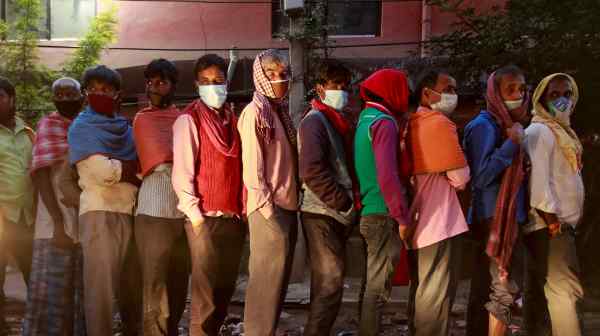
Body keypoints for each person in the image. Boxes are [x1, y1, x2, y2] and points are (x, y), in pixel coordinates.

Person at [68, 65, 142, 336]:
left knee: (132, 290)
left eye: (106, 90)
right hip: (99, 212)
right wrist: (133, 169)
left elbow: (135, 165)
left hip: (131, 212)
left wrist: (128, 169)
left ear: (117, 94)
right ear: (86, 94)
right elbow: (103, 172)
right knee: (100, 293)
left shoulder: (125, 127)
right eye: (93, 89)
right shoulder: (81, 127)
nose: (99, 94)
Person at [463, 65, 529, 336]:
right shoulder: (484, 126)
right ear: (495, 93)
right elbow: (480, 177)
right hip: (494, 218)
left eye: (522, 89)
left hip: (510, 215)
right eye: (510, 89)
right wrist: (511, 144)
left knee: (486, 289)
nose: (518, 95)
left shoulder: (511, 125)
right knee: (503, 288)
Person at [237, 49, 298, 336]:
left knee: (277, 287)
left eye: (283, 74)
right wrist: (268, 211)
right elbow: (253, 170)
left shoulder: (279, 112)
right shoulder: (255, 113)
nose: (279, 80)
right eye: (272, 74)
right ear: (260, 76)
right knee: (264, 287)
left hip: (286, 207)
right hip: (268, 210)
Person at [407, 70, 470, 335]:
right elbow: (460, 178)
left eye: (455, 90)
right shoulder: (439, 124)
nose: (452, 95)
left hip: (416, 218)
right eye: (448, 89)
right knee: (436, 295)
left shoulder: (410, 122)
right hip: (440, 221)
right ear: (426, 93)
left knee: (421, 290)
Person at [297, 60, 357, 335]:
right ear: (320, 88)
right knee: (330, 281)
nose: (342, 91)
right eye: (335, 85)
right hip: (321, 213)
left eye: (345, 86)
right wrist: (343, 202)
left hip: (335, 213)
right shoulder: (315, 121)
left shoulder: (338, 120)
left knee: (328, 284)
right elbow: (311, 170)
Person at [522, 73, 584, 336]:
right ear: (541, 100)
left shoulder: (563, 133)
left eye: (567, 94)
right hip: (549, 226)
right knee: (565, 294)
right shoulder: (540, 131)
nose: (562, 100)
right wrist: (554, 224)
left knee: (543, 294)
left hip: (558, 226)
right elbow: (537, 184)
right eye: (554, 95)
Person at [23, 77, 86, 336]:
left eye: (71, 95)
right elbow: (40, 176)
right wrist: (59, 222)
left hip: (84, 217)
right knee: (51, 291)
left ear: (81, 97)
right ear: (53, 100)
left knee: (79, 290)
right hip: (53, 221)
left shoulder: (86, 126)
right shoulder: (48, 125)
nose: (65, 100)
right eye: (59, 95)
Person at [133, 59, 190, 336]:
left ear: (173, 86)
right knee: (154, 282)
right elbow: (154, 159)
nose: (154, 87)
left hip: (184, 209)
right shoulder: (142, 119)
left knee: (179, 281)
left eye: (161, 82)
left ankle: (172, 331)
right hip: (153, 208)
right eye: (150, 82)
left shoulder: (184, 119)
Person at [353, 69, 410, 336]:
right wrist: (401, 217)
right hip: (383, 215)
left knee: (371, 287)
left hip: (369, 211)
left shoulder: (365, 119)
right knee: (378, 291)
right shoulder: (384, 123)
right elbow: (388, 176)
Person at [0, 76, 35, 334]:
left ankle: (35, 326)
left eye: (0, 97)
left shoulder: (28, 132)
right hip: (2, 219)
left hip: (28, 218)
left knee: (34, 278)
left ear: (12, 99)